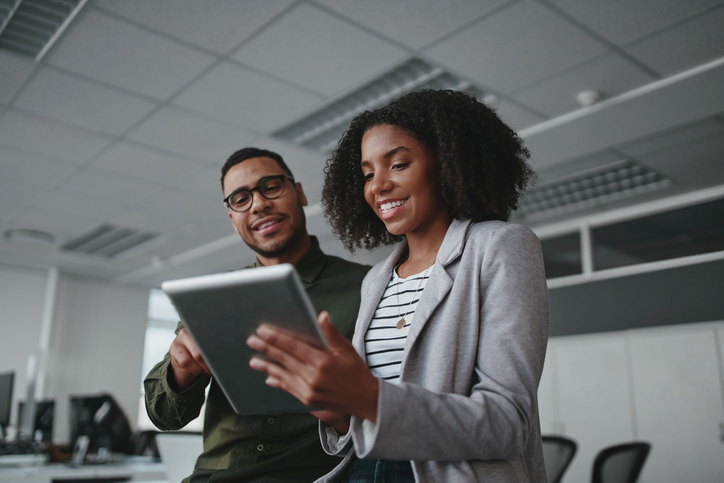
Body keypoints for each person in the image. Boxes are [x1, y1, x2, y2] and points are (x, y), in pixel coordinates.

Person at [246, 90, 550, 482]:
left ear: (448, 164)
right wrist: (339, 414)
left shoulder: (500, 246)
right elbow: (366, 427)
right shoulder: (376, 279)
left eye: (399, 164)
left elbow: (508, 425)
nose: (378, 185)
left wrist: (370, 398)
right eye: (368, 173)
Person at [144, 147, 370, 483]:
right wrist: (181, 371)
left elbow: (389, 405)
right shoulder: (212, 299)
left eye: (271, 186)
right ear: (233, 221)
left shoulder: (368, 286)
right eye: (240, 198)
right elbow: (163, 416)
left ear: (300, 193)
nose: (259, 204)